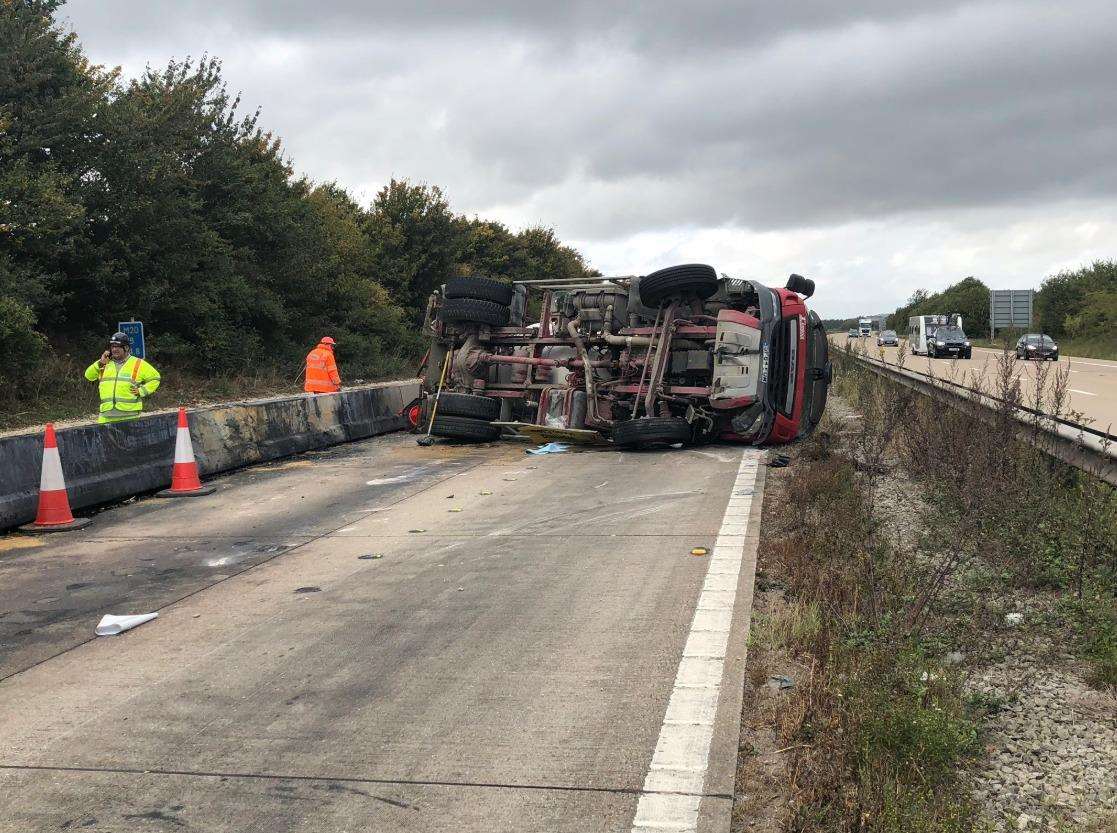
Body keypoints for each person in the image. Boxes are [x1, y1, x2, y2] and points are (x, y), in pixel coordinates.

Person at [84, 332, 162, 423]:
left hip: (129, 415)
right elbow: (88, 376)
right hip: (106, 414)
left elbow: (155, 378)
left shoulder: (137, 363)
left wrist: (142, 391)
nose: (114, 349)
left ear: (126, 348)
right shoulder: (104, 363)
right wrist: (100, 363)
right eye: (112, 346)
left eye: (118, 346)